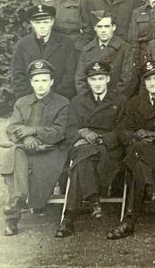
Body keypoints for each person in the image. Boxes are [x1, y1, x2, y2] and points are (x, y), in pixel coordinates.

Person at [104, 60, 155, 240]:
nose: (152, 83)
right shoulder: (135, 102)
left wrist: (154, 136)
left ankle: (130, 218)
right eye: (148, 79)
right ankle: (149, 196)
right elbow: (123, 131)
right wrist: (136, 136)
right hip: (142, 156)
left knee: (135, 156)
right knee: (139, 160)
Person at [54, 61, 126, 238]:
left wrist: (102, 139)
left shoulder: (120, 101)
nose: (97, 83)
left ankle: (69, 217)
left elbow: (123, 130)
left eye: (101, 78)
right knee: (83, 156)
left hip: (109, 149)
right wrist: (81, 132)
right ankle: (94, 201)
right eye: (93, 79)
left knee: (81, 160)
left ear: (108, 79)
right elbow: (68, 130)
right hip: (84, 146)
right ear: (88, 81)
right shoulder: (77, 101)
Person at [1, 60, 72, 236]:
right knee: (14, 153)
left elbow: (58, 132)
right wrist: (27, 137)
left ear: (52, 81)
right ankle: (14, 212)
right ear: (31, 82)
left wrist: (34, 131)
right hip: (26, 149)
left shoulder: (62, 103)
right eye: (37, 81)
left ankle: (18, 204)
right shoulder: (22, 103)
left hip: (51, 151)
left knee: (30, 166)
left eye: (44, 80)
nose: (40, 85)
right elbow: (12, 128)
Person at [10, 4, 77, 100]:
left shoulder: (65, 43)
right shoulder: (23, 45)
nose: (42, 26)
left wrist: (56, 98)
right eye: (38, 23)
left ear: (52, 22)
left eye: (45, 22)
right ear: (32, 23)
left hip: (59, 99)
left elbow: (70, 75)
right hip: (31, 100)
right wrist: (30, 98)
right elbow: (18, 75)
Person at [75, 11, 134, 96]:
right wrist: (87, 99)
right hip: (91, 100)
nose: (103, 30)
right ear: (95, 28)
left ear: (113, 27)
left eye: (106, 26)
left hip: (115, 100)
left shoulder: (124, 48)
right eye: (99, 26)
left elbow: (127, 79)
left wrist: (113, 99)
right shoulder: (87, 50)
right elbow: (80, 80)